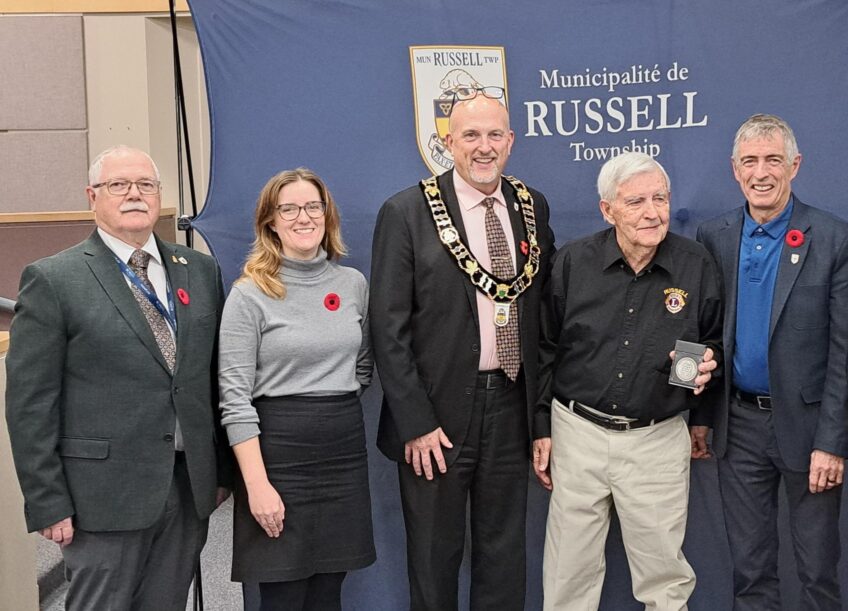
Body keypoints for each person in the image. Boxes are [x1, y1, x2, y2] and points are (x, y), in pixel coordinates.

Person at [4, 145, 230, 609]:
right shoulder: (54, 280)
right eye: (119, 185)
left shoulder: (200, 271)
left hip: (187, 488)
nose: (134, 194)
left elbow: (212, 378)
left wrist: (220, 470)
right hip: (101, 497)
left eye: (145, 184)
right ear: (93, 196)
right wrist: (47, 500)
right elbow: (30, 404)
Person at [370, 91, 555, 610]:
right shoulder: (405, 211)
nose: (484, 146)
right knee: (434, 556)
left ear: (511, 141)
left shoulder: (531, 205)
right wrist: (415, 422)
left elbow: (543, 319)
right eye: (470, 135)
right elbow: (388, 328)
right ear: (447, 143)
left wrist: (541, 422)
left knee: (504, 556)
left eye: (495, 134)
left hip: (511, 405)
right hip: (435, 418)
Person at [535, 152, 722, 611]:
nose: (652, 212)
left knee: (664, 577)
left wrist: (700, 385)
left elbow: (709, 338)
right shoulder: (573, 263)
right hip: (577, 433)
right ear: (607, 210)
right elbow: (544, 347)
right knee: (568, 576)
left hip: (657, 438)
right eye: (635, 201)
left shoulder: (695, 263)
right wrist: (541, 425)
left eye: (660, 198)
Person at [695, 114, 848, 610]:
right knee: (750, 570)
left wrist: (832, 442)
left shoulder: (835, 238)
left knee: (816, 570)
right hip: (739, 426)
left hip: (809, 430)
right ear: (734, 169)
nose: (761, 172)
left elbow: (844, 351)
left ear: (796, 165)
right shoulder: (715, 236)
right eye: (750, 161)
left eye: (773, 159)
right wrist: (703, 419)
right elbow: (705, 334)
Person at [218, 168, 375, 609]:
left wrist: (326, 400)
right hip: (277, 459)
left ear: (327, 215)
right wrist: (257, 485)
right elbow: (234, 398)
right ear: (270, 221)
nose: (302, 217)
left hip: (342, 452)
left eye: (313, 206)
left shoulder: (353, 285)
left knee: (328, 593)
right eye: (288, 208)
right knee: (284, 596)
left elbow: (361, 367)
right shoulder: (249, 295)